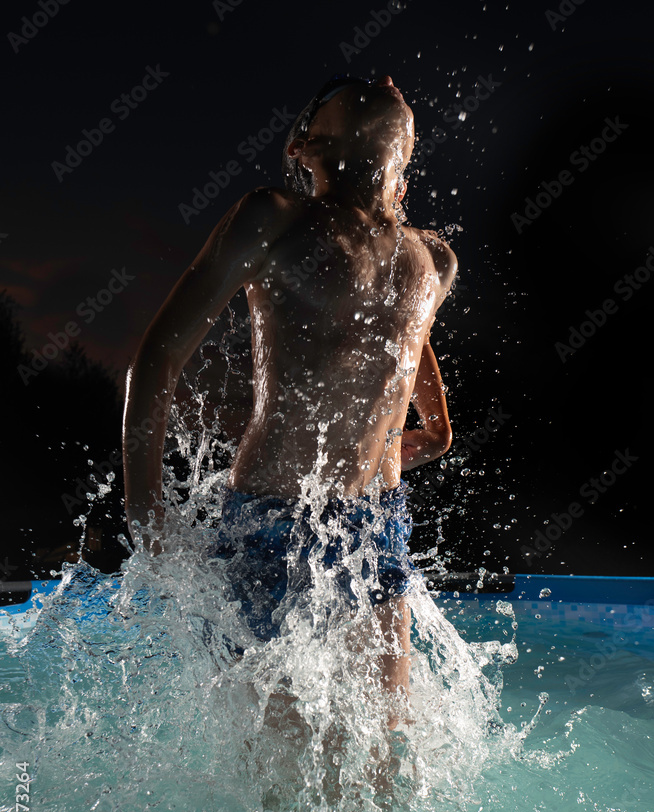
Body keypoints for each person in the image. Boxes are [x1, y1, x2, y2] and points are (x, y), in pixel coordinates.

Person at [123, 74, 457, 725]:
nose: (381, 81)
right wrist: (146, 514)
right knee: (284, 763)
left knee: (386, 750)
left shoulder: (431, 260)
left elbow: (415, 373)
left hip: (375, 527)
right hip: (272, 522)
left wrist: (415, 440)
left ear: (405, 162)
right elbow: (157, 357)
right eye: (347, 89)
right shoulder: (273, 219)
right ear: (304, 146)